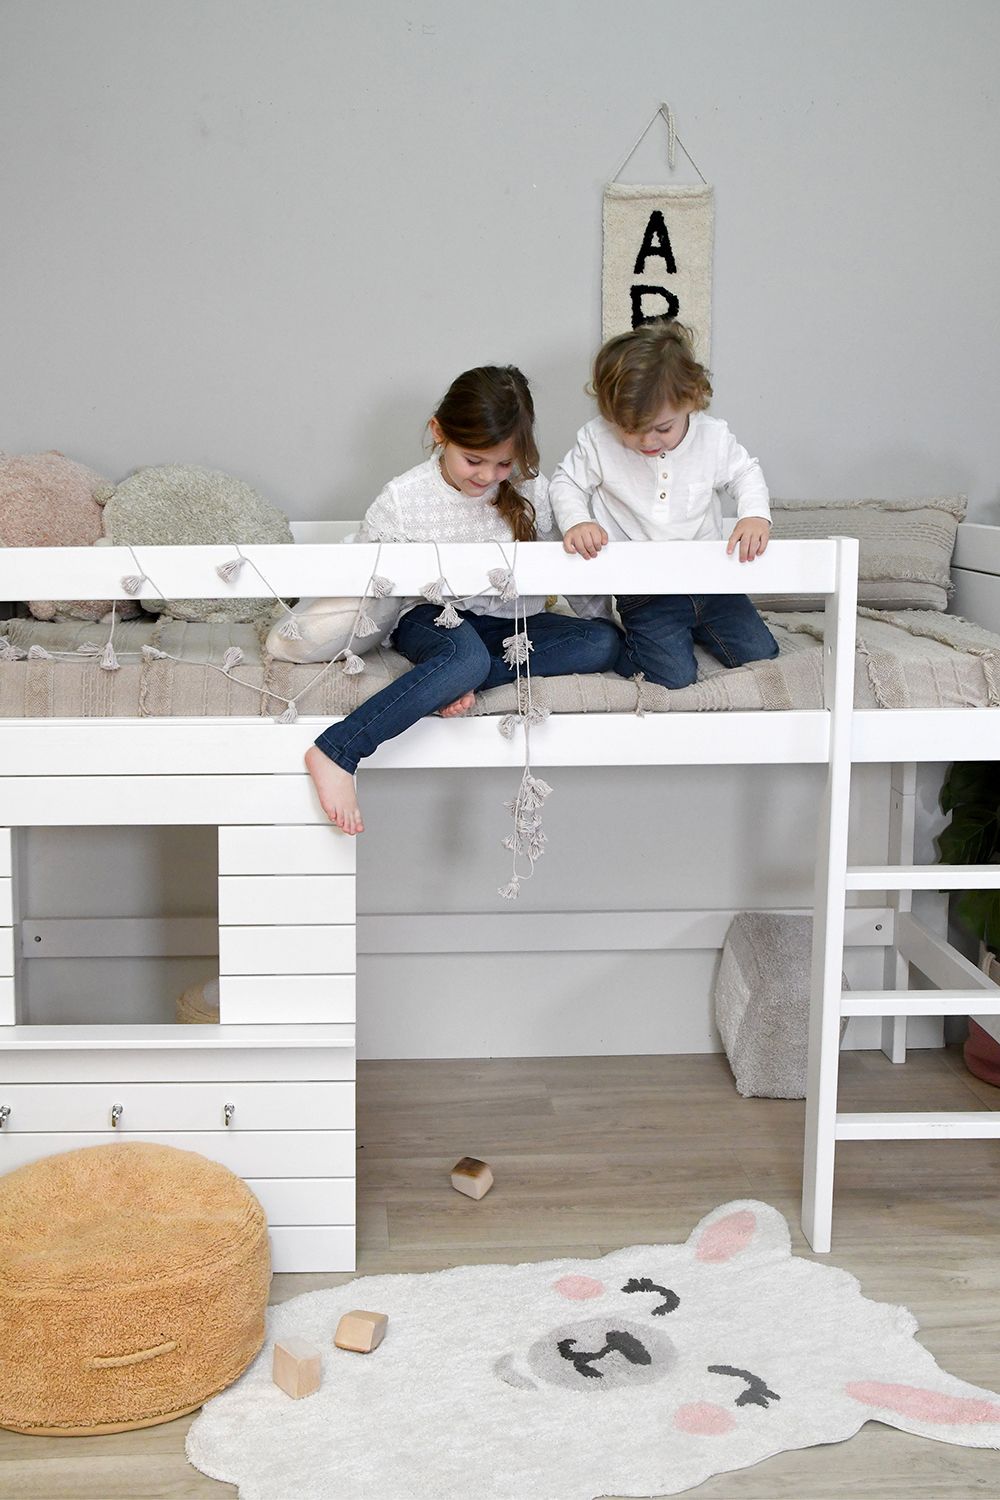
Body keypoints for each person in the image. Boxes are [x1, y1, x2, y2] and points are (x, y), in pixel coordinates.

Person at [305, 365, 622, 834]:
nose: (488, 475)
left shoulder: (533, 489)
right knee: (464, 656)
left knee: (603, 642)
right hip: (434, 618)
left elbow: (568, 570)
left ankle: (457, 679)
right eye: (474, 460)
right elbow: (374, 581)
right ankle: (338, 750)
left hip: (514, 626)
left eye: (503, 464)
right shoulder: (404, 498)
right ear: (439, 433)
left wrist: (607, 623)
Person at [548, 320, 779, 690]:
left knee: (760, 652)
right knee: (673, 676)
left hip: (712, 580)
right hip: (645, 589)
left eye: (663, 428)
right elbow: (566, 482)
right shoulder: (597, 439)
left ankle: (695, 631)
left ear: (692, 400)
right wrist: (577, 521)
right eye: (630, 429)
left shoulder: (712, 436)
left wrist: (754, 515)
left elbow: (745, 472)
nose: (647, 441)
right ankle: (629, 646)